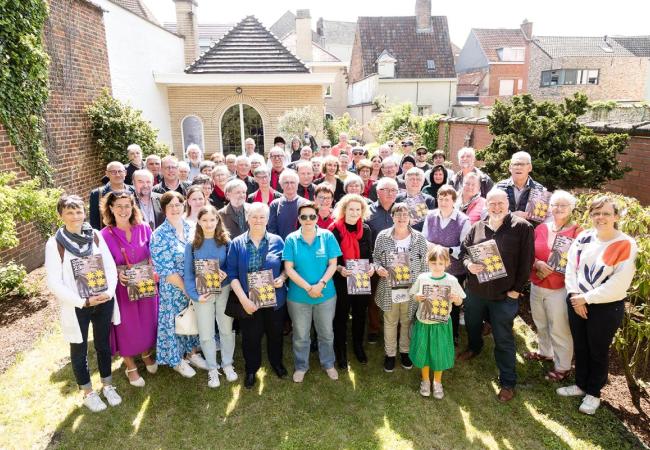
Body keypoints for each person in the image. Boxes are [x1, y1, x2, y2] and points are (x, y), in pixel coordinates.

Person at [558, 196, 637, 415]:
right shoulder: (584, 237)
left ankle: (594, 393)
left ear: (616, 216)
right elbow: (571, 268)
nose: (600, 217)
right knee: (581, 345)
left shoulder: (626, 244)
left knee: (598, 350)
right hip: (577, 300)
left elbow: (619, 283)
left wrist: (586, 299)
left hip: (605, 307)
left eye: (606, 213)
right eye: (596, 213)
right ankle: (581, 384)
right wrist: (575, 295)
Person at [45, 195, 121, 412]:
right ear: (61, 215)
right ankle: (88, 392)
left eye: (78, 211)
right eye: (69, 212)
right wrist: (82, 300)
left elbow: (109, 267)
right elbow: (54, 282)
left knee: (103, 344)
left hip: (103, 300)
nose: (75, 216)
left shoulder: (95, 236)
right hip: (77, 305)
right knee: (79, 348)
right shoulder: (55, 244)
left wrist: (108, 292)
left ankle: (108, 384)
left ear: (84, 213)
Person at [459, 188, 534, 403]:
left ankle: (508, 381)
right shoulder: (478, 227)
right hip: (476, 291)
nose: (496, 207)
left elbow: (527, 261)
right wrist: (468, 264)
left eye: (500, 203)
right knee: (472, 324)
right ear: (486, 205)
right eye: (492, 203)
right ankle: (475, 347)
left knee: (503, 338)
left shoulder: (522, 228)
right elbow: (464, 252)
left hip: (504, 294)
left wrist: (517, 290)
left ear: (508, 204)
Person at [226, 203, 288, 389]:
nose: (258, 220)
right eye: (254, 216)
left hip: (274, 299)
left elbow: (286, 267)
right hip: (249, 300)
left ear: (267, 220)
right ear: (247, 219)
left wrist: (282, 278)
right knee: (250, 337)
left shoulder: (278, 241)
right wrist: (244, 300)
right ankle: (251, 369)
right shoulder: (237, 243)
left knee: (275, 334)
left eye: (262, 217)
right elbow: (232, 275)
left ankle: (276, 363)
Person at [100, 191, 158, 387]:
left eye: (127, 205)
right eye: (119, 206)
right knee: (126, 325)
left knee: (147, 321)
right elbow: (102, 264)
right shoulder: (103, 235)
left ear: (133, 207)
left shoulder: (144, 228)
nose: (123, 210)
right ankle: (130, 365)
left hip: (144, 281)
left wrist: (153, 266)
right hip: (122, 287)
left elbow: (154, 252)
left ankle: (146, 353)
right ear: (110, 208)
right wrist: (117, 273)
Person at [283, 201, 342, 383]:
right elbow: (289, 268)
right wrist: (309, 288)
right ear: (299, 219)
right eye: (304, 216)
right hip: (298, 297)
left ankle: (328, 363)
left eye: (312, 216)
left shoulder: (327, 236)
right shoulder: (291, 239)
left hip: (326, 295)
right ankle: (301, 366)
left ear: (317, 218)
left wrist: (321, 284)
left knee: (326, 333)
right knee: (301, 335)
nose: (308, 220)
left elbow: (333, 264)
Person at [527, 190, 582, 381]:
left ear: (571, 208)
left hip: (559, 287)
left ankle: (563, 366)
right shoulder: (541, 228)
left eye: (563, 205)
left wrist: (557, 270)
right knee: (540, 322)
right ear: (549, 207)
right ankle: (545, 352)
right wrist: (536, 263)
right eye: (555, 205)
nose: (558, 208)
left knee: (559, 328)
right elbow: (529, 252)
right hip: (537, 283)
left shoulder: (578, 232)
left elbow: (580, 261)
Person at [150, 191, 206, 379]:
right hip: (174, 288)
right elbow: (166, 270)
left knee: (192, 319)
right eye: (170, 205)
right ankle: (177, 360)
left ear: (184, 206)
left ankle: (192, 353)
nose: (175, 208)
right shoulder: (159, 235)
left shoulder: (192, 227)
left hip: (194, 285)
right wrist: (187, 289)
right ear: (164, 209)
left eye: (178, 204)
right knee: (176, 322)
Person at [184, 205, 236, 388]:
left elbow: (232, 267)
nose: (208, 223)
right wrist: (196, 296)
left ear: (217, 221)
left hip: (224, 290)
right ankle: (213, 369)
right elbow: (188, 274)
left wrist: (225, 274)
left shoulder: (226, 241)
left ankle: (227, 364)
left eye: (212, 220)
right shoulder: (192, 245)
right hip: (203, 294)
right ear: (198, 221)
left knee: (226, 329)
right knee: (206, 332)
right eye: (204, 220)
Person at [373, 203, 429, 372]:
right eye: (398, 214)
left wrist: (422, 287)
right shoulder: (383, 236)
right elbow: (375, 258)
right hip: (390, 287)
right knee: (390, 321)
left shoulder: (419, 238)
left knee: (406, 320)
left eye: (405, 214)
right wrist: (378, 268)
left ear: (410, 217)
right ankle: (390, 354)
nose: (402, 218)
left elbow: (425, 265)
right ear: (392, 216)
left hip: (410, 288)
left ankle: (405, 351)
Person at [409, 245, 465, 398]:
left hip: (441, 324)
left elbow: (460, 302)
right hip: (424, 322)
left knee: (438, 353)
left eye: (441, 263)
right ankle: (426, 380)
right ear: (428, 262)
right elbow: (413, 295)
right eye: (433, 263)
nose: (437, 267)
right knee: (424, 352)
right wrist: (418, 297)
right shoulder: (423, 278)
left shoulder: (451, 280)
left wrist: (456, 299)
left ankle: (437, 381)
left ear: (447, 263)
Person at [421, 186, 471, 344]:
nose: (443, 202)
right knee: (433, 298)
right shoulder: (430, 216)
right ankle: (432, 329)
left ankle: (452, 334)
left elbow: (464, 248)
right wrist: (433, 248)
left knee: (452, 302)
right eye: (440, 199)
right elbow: (423, 239)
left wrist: (446, 250)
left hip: (454, 269)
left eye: (447, 199)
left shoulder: (463, 220)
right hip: (433, 268)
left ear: (454, 201)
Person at [329, 194, 374, 369]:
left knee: (360, 314)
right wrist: (340, 268)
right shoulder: (334, 230)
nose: (355, 213)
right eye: (351, 209)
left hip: (361, 278)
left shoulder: (366, 230)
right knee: (340, 316)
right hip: (341, 278)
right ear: (344, 210)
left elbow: (369, 255)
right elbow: (330, 258)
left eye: (358, 209)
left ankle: (358, 346)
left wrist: (371, 268)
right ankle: (340, 350)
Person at [365, 177, 399, 343]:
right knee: (373, 298)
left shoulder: (401, 210)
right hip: (374, 261)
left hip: (398, 262)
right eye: (387, 189)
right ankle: (374, 328)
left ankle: (397, 328)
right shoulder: (368, 212)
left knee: (397, 296)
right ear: (378, 192)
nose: (391, 193)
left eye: (394, 190)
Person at [495, 151, 545, 216]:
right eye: (515, 164)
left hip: (529, 226)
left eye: (522, 164)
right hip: (504, 225)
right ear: (510, 167)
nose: (518, 167)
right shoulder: (498, 187)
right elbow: (485, 213)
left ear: (530, 167)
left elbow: (544, 216)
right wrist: (512, 216)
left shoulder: (540, 190)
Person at [89, 161, 135, 230]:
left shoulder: (133, 191)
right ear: (107, 174)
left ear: (125, 173)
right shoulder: (97, 194)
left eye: (120, 171)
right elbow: (94, 221)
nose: (117, 175)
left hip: (131, 234)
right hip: (107, 236)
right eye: (113, 172)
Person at [268, 170, 307, 240]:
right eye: (286, 183)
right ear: (281, 185)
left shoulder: (305, 204)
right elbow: (272, 230)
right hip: (281, 247)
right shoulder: (275, 205)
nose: (289, 186)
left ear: (297, 184)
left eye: (292, 182)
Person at [396, 167, 436, 231]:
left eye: (418, 179)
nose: (415, 182)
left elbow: (428, 224)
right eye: (412, 179)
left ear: (422, 183)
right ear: (405, 181)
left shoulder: (429, 200)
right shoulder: (397, 199)